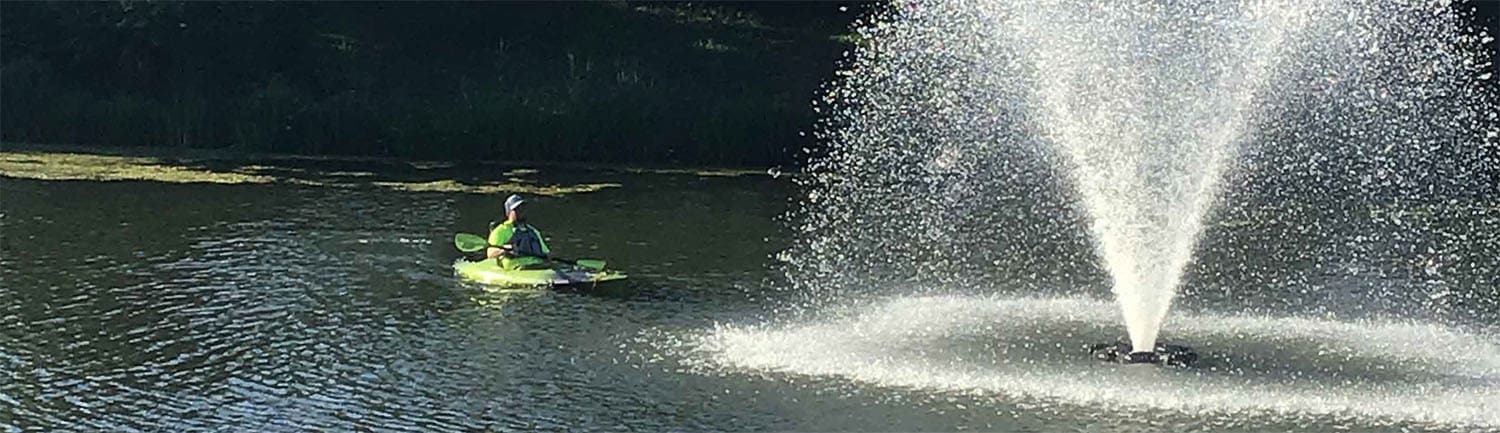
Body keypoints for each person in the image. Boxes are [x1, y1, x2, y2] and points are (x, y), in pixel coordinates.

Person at [487, 194, 552, 270]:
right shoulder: (500, 231)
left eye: (523, 208)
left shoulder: (533, 231)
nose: (521, 211)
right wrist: (504, 250)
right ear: (509, 212)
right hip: (516, 268)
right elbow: (490, 253)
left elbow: (546, 253)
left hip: (538, 267)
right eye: (517, 209)